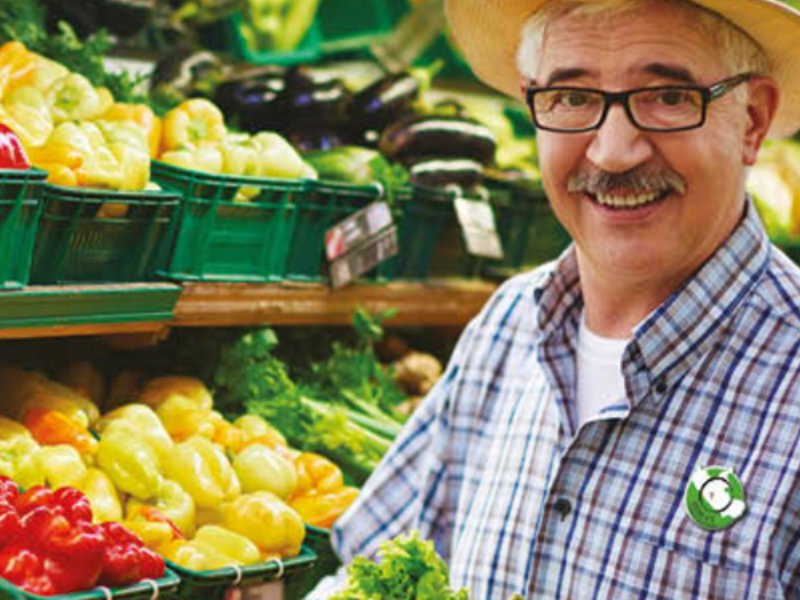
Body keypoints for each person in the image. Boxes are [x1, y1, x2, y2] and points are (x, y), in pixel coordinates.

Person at [308, 0, 800, 597]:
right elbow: (370, 569)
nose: (613, 152)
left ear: (752, 120)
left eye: (668, 97)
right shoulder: (507, 324)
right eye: (573, 98)